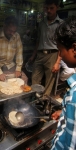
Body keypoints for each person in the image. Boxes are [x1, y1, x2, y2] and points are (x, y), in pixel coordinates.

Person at [51, 16, 76, 150]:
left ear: (74, 48)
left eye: (60, 50)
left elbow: (71, 146)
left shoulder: (74, 98)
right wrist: (66, 112)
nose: (60, 55)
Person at [29, 0, 62, 96]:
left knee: (49, 81)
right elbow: (38, 40)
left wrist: (58, 62)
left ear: (57, 7)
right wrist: (33, 55)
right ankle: (34, 99)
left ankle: (44, 101)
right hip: (40, 54)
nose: (49, 10)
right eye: (47, 8)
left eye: (51, 8)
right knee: (35, 77)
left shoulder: (60, 24)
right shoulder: (41, 23)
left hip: (53, 55)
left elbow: (61, 45)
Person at [0, 16, 27, 83]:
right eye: (10, 31)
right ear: (4, 26)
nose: (12, 34)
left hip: (10, 65)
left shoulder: (17, 36)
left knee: (24, 79)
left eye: (14, 31)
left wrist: (18, 69)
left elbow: (19, 54)